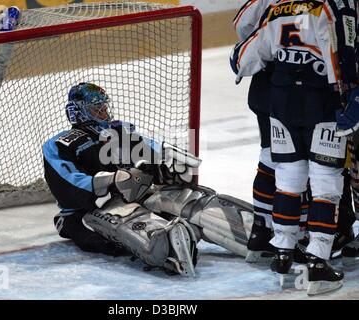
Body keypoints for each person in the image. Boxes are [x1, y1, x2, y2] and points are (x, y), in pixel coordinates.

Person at [42, 82, 253, 277]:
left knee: (185, 200)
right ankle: (167, 248)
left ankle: (251, 231)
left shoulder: (118, 131)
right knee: (125, 216)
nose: (104, 114)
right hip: (85, 211)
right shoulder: (60, 145)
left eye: (104, 108)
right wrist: (112, 181)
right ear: (78, 112)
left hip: (135, 195)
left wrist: (167, 160)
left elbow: (151, 151)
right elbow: (68, 185)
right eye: (97, 109)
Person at [230, 0, 358, 295]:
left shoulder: (278, 9)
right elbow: (341, 58)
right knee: (326, 182)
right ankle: (317, 262)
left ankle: (283, 253)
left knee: (287, 178)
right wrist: (349, 93)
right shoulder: (328, 7)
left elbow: (242, 56)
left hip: (282, 103)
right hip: (321, 103)